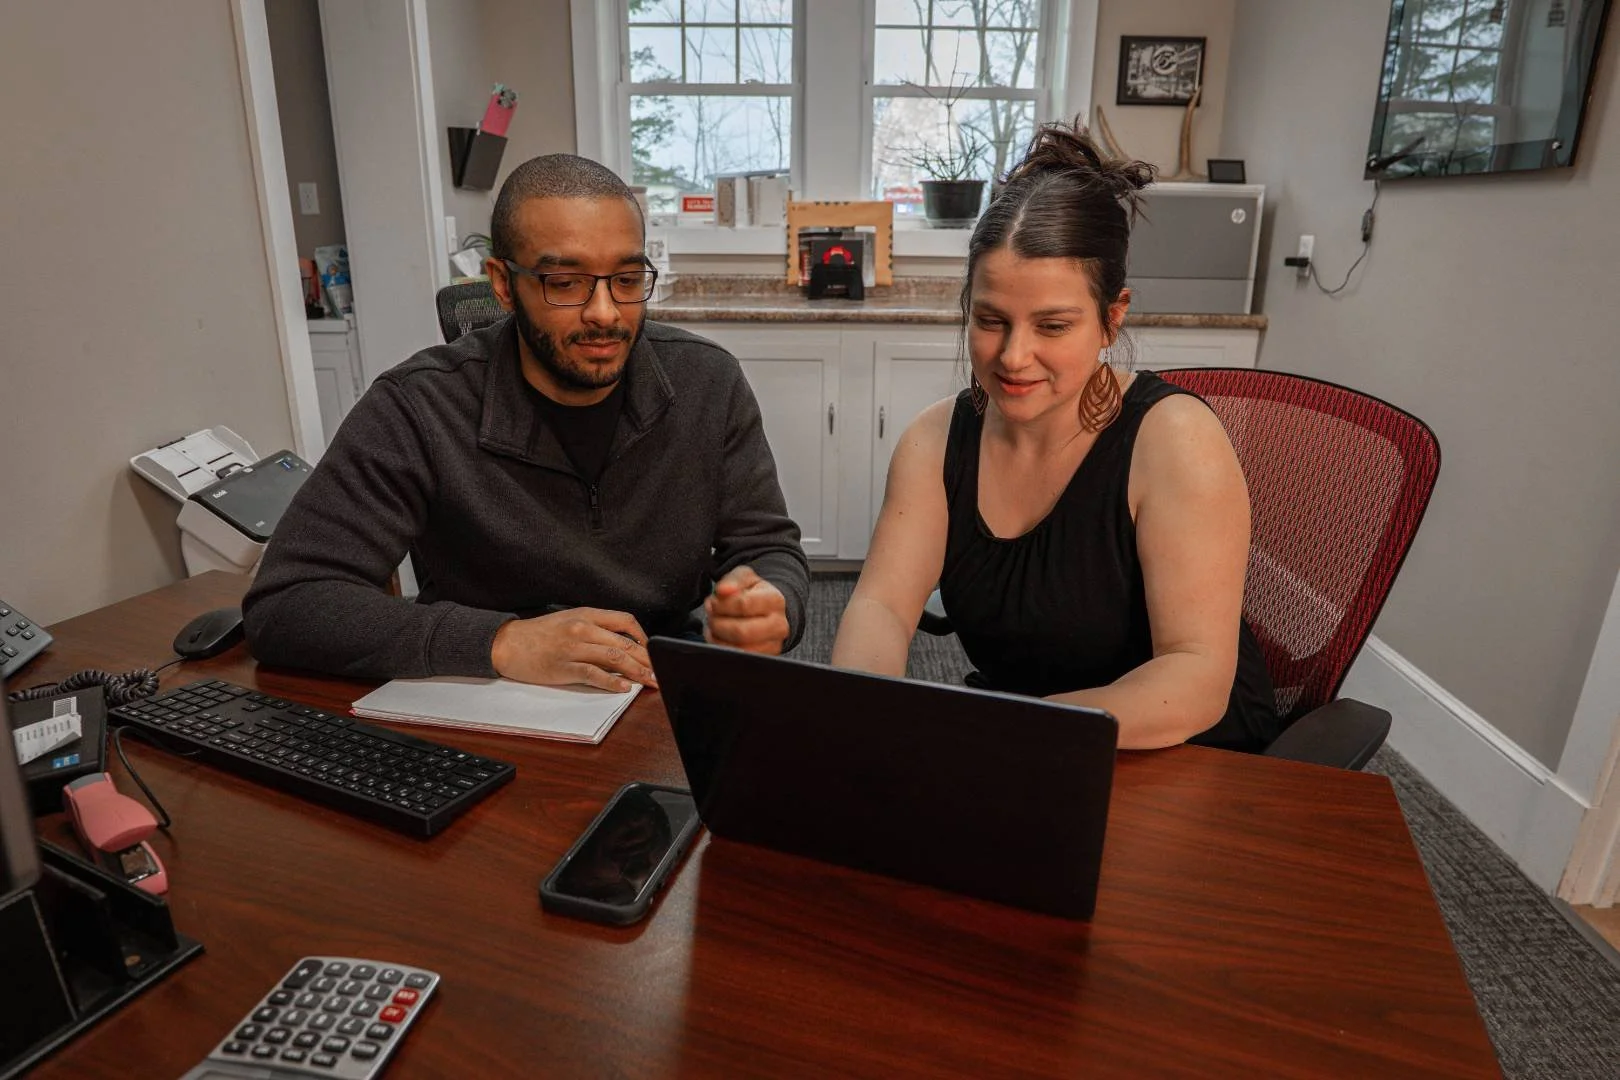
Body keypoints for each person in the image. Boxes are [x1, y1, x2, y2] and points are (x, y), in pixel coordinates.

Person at [244, 154, 808, 692]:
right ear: (501, 283)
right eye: (564, 283)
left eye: (629, 280)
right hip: (487, 694)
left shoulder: (707, 383)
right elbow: (287, 603)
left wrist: (773, 604)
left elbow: (767, 547)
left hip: (660, 683)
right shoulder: (419, 407)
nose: (606, 313)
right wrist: (501, 642)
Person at [830, 122, 1279, 752]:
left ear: (1110, 318)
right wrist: (860, 713)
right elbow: (881, 608)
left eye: (1053, 326)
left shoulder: (1174, 439)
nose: (1014, 356)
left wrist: (1012, 733)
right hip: (1020, 746)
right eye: (991, 321)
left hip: (1182, 752)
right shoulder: (935, 441)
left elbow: (1196, 675)